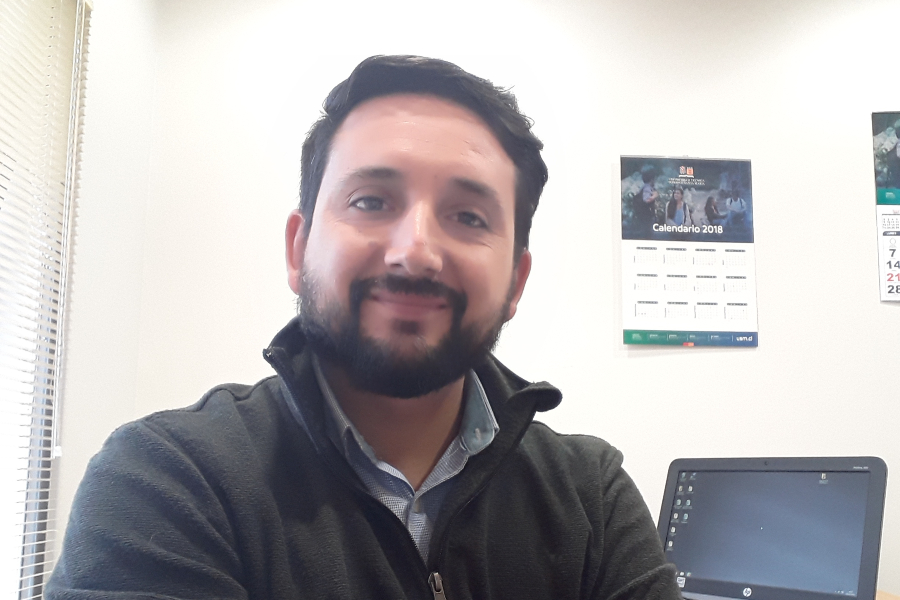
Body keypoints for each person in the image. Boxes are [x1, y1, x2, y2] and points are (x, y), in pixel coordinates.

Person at [47, 56, 680, 600]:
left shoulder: (591, 499)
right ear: (299, 249)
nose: (416, 252)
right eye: (371, 201)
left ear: (516, 281)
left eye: (468, 216)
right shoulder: (167, 481)